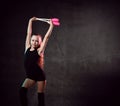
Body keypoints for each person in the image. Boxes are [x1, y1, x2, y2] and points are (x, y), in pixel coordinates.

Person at [19, 17, 54, 106]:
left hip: (39, 75)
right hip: (30, 76)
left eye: (36, 41)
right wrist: (30, 21)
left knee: (40, 96)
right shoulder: (27, 47)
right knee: (22, 91)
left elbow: (46, 38)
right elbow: (28, 33)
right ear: (30, 41)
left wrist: (51, 26)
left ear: (39, 43)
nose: (34, 42)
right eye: (33, 40)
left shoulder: (39, 51)